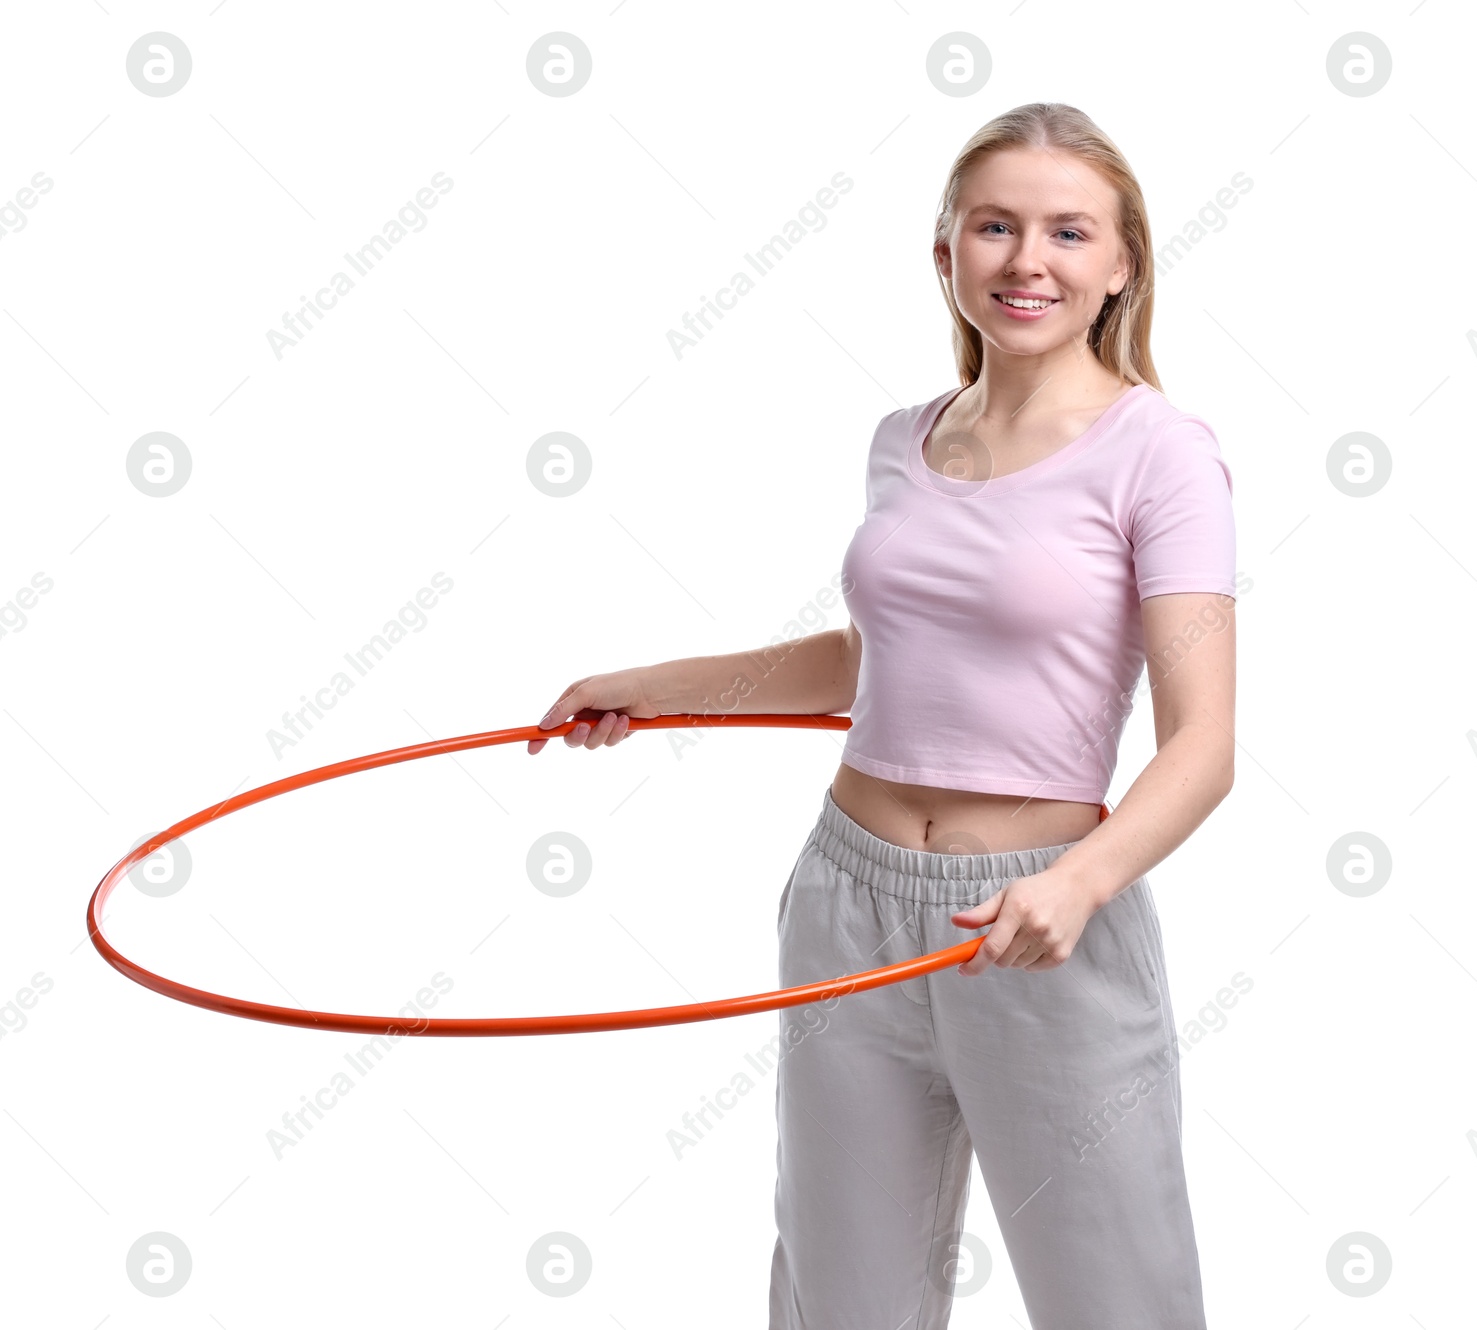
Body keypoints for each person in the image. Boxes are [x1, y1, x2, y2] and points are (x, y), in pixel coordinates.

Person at [528, 101, 1234, 1330]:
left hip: (1039, 920)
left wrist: (1074, 885)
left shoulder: (1160, 454)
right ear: (946, 252)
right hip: (846, 904)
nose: (1028, 260)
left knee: (1116, 1296)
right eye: (995, 226)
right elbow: (872, 661)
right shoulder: (904, 442)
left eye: (1068, 232)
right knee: (841, 1294)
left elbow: (1204, 745)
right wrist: (652, 685)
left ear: (1122, 264)